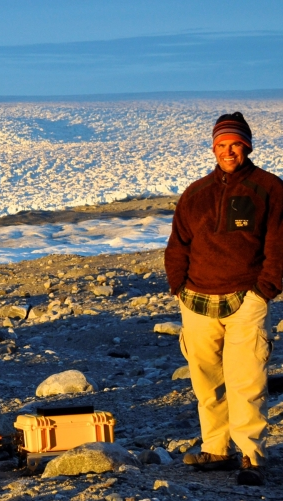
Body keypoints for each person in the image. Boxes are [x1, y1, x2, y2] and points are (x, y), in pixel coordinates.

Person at [165, 112, 283, 486]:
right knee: (206, 380)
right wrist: (178, 287)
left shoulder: (269, 188)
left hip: (246, 298)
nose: (228, 151)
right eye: (221, 145)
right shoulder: (196, 193)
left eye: (235, 144)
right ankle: (217, 450)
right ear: (213, 147)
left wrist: (264, 289)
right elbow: (178, 243)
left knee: (246, 377)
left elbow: (278, 243)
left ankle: (251, 454)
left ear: (247, 146)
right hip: (197, 299)